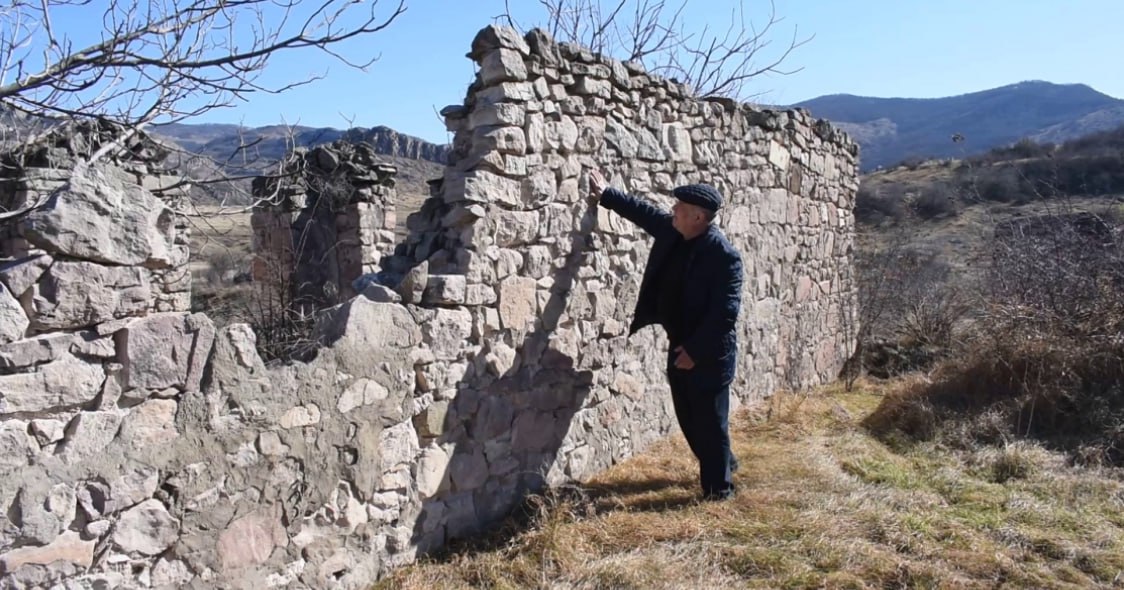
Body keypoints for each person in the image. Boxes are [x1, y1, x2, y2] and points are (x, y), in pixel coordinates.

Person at [588, 169, 744, 500]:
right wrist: (606, 194)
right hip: (679, 345)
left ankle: (720, 491)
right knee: (688, 419)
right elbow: (645, 213)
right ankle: (725, 463)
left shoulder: (724, 257)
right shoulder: (675, 233)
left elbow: (724, 315)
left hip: (709, 355)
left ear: (699, 217)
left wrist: (695, 352)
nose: (673, 211)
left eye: (680, 208)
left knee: (710, 423)